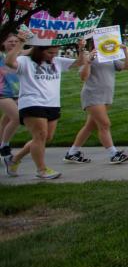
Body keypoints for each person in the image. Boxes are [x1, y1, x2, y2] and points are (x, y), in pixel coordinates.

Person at [3, 30, 89, 179]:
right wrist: (20, 44)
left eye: (55, 53)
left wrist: (81, 47)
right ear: (39, 50)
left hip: (52, 104)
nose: (53, 55)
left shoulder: (57, 61)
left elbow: (80, 62)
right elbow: (9, 62)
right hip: (31, 102)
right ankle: (41, 170)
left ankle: (14, 159)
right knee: (40, 135)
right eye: (50, 53)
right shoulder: (25, 61)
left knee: (46, 137)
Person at [65, 38, 128, 164]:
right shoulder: (88, 57)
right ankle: (114, 154)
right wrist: (89, 62)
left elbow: (127, 67)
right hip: (93, 96)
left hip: (106, 97)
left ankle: (72, 153)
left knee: (89, 127)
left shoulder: (109, 57)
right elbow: (83, 77)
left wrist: (125, 51)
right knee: (105, 124)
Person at [0, 32, 22, 162]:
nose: (13, 43)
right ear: (3, 43)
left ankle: (1, 143)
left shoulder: (18, 54)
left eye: (15, 41)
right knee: (17, 117)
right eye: (10, 41)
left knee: (6, 121)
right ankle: (5, 146)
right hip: (2, 93)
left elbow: (32, 50)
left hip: (16, 93)